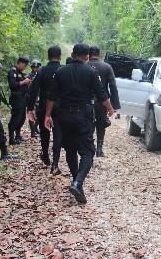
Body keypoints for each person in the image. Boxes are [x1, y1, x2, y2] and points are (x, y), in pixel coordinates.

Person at [45, 43, 114, 204]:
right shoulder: (91, 71)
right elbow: (101, 94)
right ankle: (78, 182)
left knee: (70, 149)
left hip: (64, 116)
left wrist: (47, 115)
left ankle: (77, 183)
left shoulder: (60, 71)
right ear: (87, 56)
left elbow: (51, 96)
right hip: (83, 116)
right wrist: (110, 109)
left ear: (73, 53)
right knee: (88, 152)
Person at [27, 47, 63, 175]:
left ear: (48, 56)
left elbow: (33, 90)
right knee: (58, 134)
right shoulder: (63, 70)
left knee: (44, 133)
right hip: (59, 108)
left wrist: (30, 107)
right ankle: (55, 164)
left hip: (43, 107)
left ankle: (45, 154)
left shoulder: (42, 71)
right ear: (60, 56)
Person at [88, 46, 121, 157]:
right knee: (101, 124)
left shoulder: (84, 66)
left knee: (88, 125)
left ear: (89, 54)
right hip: (102, 102)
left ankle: (89, 148)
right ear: (100, 54)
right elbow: (112, 86)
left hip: (86, 102)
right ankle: (99, 149)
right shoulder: (107, 67)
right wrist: (114, 105)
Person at [7, 57, 32, 145]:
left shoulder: (20, 73)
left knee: (22, 118)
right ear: (20, 63)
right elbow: (12, 85)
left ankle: (18, 136)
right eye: (24, 65)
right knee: (15, 118)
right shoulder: (12, 71)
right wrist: (24, 82)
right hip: (16, 99)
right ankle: (11, 138)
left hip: (22, 99)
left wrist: (27, 83)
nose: (24, 67)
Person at [27, 59, 42, 138]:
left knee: (39, 115)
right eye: (34, 67)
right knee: (31, 115)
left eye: (37, 67)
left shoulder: (41, 75)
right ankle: (33, 132)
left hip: (40, 97)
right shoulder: (29, 76)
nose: (36, 68)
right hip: (31, 97)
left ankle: (36, 128)